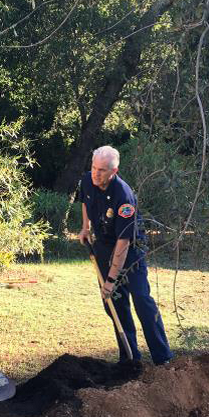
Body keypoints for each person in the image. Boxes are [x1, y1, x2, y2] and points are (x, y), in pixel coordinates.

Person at [77, 146, 173, 366]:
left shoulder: (124, 195)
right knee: (114, 304)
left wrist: (111, 280)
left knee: (141, 299)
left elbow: (123, 242)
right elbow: (85, 200)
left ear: (114, 171)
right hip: (102, 245)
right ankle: (130, 359)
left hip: (130, 251)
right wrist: (85, 227)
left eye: (102, 170)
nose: (96, 173)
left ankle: (163, 357)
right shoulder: (86, 180)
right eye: (94, 167)